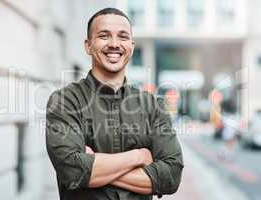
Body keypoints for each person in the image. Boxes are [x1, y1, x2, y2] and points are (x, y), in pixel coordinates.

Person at [46, 8, 184, 200]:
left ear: (132, 46)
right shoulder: (65, 101)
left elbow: (171, 176)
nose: (114, 44)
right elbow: (72, 171)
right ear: (88, 45)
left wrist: (94, 165)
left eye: (123, 37)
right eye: (103, 36)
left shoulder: (153, 106)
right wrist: (138, 157)